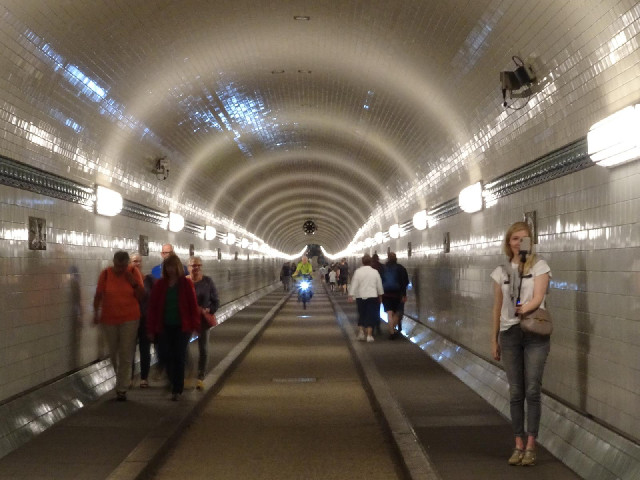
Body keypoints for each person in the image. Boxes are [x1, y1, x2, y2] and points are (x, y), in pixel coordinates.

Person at [490, 221, 551, 466]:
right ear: (508, 242)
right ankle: (517, 443)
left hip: (535, 332)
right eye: (515, 239)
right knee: (516, 391)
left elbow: (538, 297)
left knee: (532, 389)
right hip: (510, 333)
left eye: (524, 239)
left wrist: (523, 308)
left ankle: (531, 445)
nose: (519, 243)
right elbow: (496, 307)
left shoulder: (540, 266)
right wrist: (493, 339)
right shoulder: (501, 272)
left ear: (530, 242)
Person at [147, 254, 200, 400]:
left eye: (172, 267)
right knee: (165, 355)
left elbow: (192, 305)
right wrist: (151, 329)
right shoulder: (160, 285)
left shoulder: (186, 284)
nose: (170, 270)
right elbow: (153, 308)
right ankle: (172, 381)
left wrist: (195, 325)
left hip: (182, 327)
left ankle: (177, 388)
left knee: (179, 355)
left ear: (177, 267)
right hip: (164, 326)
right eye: (168, 267)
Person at [93, 251, 145, 401]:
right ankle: (121, 378)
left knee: (126, 353)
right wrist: (96, 312)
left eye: (123, 266)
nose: (121, 269)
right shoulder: (106, 274)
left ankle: (122, 388)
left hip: (130, 318)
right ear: (114, 262)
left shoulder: (133, 273)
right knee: (114, 353)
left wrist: (133, 283)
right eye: (118, 265)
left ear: (127, 264)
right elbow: (98, 295)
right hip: (109, 319)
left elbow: (142, 296)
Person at [187, 256, 220, 390]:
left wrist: (209, 309)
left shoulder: (207, 282)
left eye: (198, 265)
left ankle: (201, 376)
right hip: (188, 318)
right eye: (193, 265)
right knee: (183, 346)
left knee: (203, 348)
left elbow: (216, 300)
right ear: (188, 267)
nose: (195, 268)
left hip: (203, 319)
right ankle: (188, 371)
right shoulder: (184, 282)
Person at [130, 253, 154, 388]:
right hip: (131, 319)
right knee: (130, 350)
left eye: (139, 261)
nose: (137, 264)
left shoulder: (148, 280)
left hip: (145, 320)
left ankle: (144, 377)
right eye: (134, 261)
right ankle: (130, 377)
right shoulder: (126, 281)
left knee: (145, 349)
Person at [348, 254, 383, 343]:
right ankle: (369, 335)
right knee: (370, 315)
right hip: (372, 296)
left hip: (360, 296)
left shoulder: (358, 272)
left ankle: (361, 333)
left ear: (362, 262)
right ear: (370, 262)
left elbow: (354, 283)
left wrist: (351, 295)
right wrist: (380, 295)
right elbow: (379, 285)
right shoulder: (375, 272)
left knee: (362, 314)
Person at [381, 252, 409, 339]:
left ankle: (391, 332)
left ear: (388, 258)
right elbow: (405, 282)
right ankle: (392, 328)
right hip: (398, 294)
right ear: (396, 258)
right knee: (397, 313)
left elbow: (380, 281)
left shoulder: (383, 268)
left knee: (389, 313)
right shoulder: (401, 268)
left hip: (386, 294)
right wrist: (404, 294)